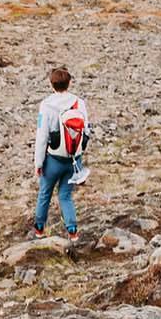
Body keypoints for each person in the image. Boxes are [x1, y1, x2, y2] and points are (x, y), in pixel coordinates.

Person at [31, 65, 90, 238]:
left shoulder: (47, 105)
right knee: (65, 196)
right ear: (69, 83)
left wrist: (38, 163)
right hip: (74, 159)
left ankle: (39, 229)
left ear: (52, 84)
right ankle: (72, 231)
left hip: (54, 159)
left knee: (45, 193)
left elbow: (42, 137)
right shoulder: (79, 103)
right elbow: (86, 130)